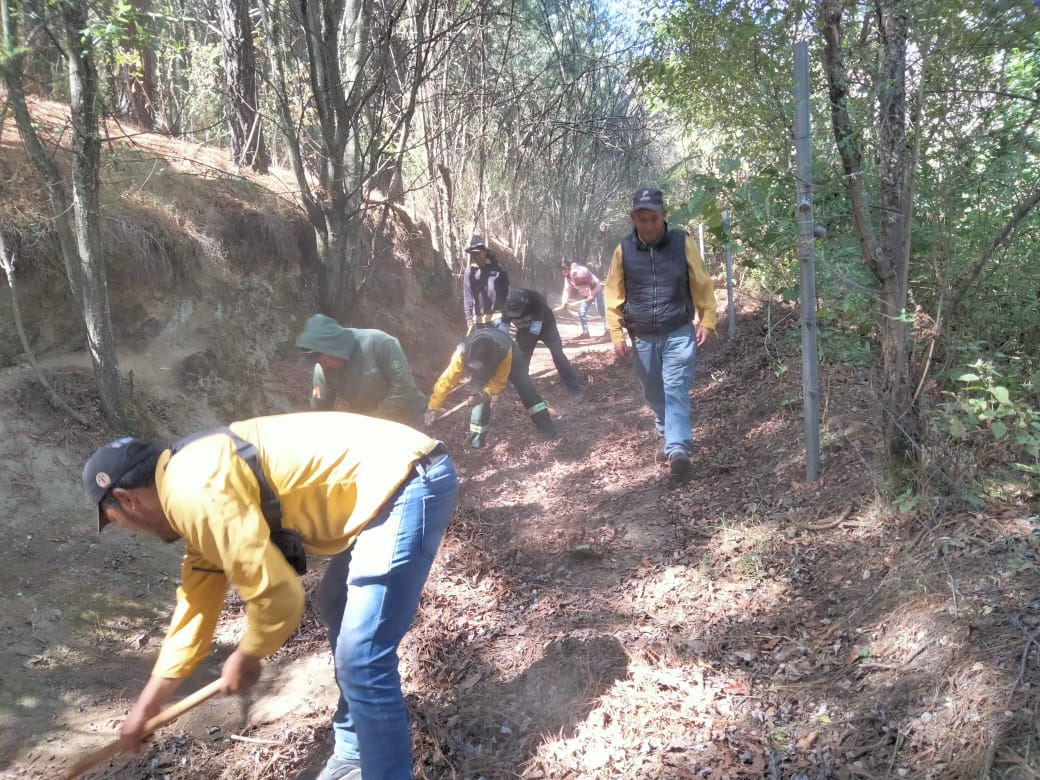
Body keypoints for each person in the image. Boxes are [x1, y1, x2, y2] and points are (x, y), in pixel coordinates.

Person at [81, 412, 458, 780]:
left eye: (116, 521)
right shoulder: (186, 480)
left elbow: (281, 597)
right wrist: (147, 707)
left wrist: (249, 653)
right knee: (336, 604)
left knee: (362, 657)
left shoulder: (194, 493)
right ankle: (354, 753)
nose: (130, 531)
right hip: (389, 476)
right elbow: (195, 609)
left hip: (406, 480)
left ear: (126, 500)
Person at [603, 187, 717, 483]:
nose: (649, 226)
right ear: (633, 219)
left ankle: (678, 450)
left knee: (675, 388)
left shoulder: (682, 242)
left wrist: (707, 318)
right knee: (653, 392)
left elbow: (701, 282)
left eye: (654, 219)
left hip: (678, 331)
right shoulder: (623, 250)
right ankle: (667, 429)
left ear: (664, 216)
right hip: (642, 336)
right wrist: (616, 334)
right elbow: (612, 294)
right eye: (642, 220)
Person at [425, 327, 557, 448]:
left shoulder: (505, 351)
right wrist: (433, 407)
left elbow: (499, 381)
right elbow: (446, 380)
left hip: (513, 361)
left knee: (526, 388)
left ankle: (547, 428)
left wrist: (485, 393)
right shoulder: (462, 352)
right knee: (479, 404)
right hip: (482, 369)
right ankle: (476, 446)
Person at [295, 314, 428, 428]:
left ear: (333, 349)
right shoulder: (322, 371)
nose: (323, 366)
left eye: (323, 361)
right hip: (373, 424)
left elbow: (403, 383)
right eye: (318, 363)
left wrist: (379, 418)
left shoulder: (380, 343)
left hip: (409, 418)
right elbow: (319, 403)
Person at [501, 287, 583, 398]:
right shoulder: (505, 306)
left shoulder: (536, 299)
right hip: (524, 329)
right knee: (521, 357)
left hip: (546, 326)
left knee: (558, 355)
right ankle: (518, 386)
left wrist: (525, 345)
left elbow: (535, 330)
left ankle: (574, 389)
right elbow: (503, 330)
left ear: (525, 303)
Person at [462, 234, 510, 333]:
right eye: (473, 254)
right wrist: (469, 318)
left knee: (499, 342)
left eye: (478, 253)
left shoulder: (498, 267)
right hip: (479, 320)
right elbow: (468, 296)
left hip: (498, 318)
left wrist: (507, 314)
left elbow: (507, 290)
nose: (476, 257)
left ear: (485, 252)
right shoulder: (469, 272)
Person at [557, 260, 606, 338]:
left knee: (601, 309)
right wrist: (564, 302)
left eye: (561, 270)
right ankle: (585, 333)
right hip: (586, 295)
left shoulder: (582, 271)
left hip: (596, 290)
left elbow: (593, 283)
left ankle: (608, 331)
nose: (561, 273)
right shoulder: (568, 278)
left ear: (566, 268)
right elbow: (566, 290)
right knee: (581, 312)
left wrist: (591, 294)